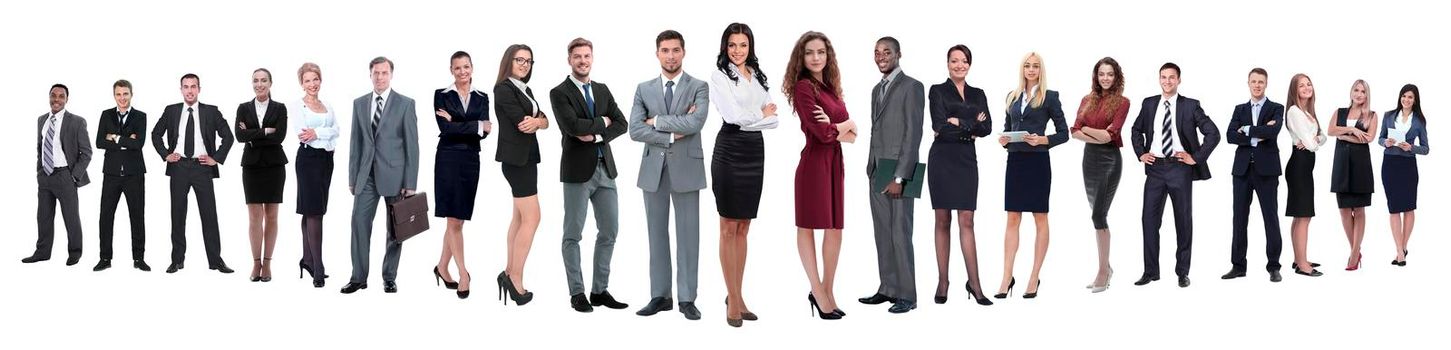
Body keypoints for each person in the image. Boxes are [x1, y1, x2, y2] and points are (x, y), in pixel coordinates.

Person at [629, 30, 710, 321]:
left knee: (689, 236)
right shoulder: (643, 88)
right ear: (657, 53)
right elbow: (635, 130)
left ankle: (687, 298)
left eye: (676, 50)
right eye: (665, 50)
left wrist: (657, 121)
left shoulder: (699, 86)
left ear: (683, 52)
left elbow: (696, 122)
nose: (671, 56)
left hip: (688, 169)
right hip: (653, 170)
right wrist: (672, 134)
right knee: (656, 235)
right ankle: (660, 296)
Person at [552, 37, 630, 313]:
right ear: (569, 60)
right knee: (573, 234)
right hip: (577, 173)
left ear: (592, 58)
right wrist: (602, 122)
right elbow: (572, 126)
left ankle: (599, 290)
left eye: (586, 56)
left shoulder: (602, 89)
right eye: (577, 57)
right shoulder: (559, 92)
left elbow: (622, 123)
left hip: (605, 169)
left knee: (610, 230)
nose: (582, 61)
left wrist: (595, 133)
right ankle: (577, 293)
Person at [786, 31, 857, 320]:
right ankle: (816, 288)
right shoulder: (804, 88)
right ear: (801, 58)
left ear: (828, 57)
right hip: (814, 163)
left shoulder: (830, 88)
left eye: (821, 52)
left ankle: (827, 290)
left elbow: (852, 137)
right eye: (810, 53)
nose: (816, 57)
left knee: (835, 227)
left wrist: (841, 126)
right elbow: (824, 133)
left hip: (835, 164)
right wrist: (845, 124)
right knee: (808, 226)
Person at [1129, 63, 1219, 288]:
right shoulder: (1149, 104)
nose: (1167, 81)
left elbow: (1213, 133)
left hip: (1180, 168)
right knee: (1149, 221)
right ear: (1159, 79)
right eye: (1163, 77)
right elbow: (1135, 130)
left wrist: (1195, 158)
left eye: (1171, 78)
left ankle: (1182, 272)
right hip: (1156, 169)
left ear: (1179, 80)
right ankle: (1150, 272)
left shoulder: (1190, 106)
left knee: (1183, 221)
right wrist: (1141, 153)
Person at [709, 23, 775, 325]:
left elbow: (774, 120)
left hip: (754, 152)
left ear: (751, 47)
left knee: (744, 227)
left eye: (743, 45)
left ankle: (737, 292)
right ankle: (733, 299)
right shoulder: (719, 77)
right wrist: (760, 115)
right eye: (732, 45)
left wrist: (760, 117)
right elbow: (732, 117)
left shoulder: (758, 76)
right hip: (730, 151)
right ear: (725, 47)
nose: (737, 51)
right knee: (728, 227)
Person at [342, 57, 420, 294]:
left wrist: (410, 182)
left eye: (384, 73)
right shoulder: (359, 104)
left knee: (396, 229)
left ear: (391, 74)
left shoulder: (405, 104)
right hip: (366, 176)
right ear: (370, 74)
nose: (380, 77)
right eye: (376, 73)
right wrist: (353, 177)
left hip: (395, 177)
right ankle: (358, 277)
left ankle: (389, 276)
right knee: (358, 224)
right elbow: (355, 142)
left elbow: (412, 146)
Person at [860, 36, 924, 314]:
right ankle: (888, 288)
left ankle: (907, 295)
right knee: (882, 233)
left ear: (899, 54)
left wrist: (900, 177)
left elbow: (914, 134)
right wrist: (871, 165)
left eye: (886, 51)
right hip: (877, 168)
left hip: (900, 170)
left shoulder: (912, 87)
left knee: (901, 233)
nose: (881, 56)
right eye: (877, 52)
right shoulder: (876, 89)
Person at [994, 52, 1067, 299]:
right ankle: (1006, 276)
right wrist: (1004, 140)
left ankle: (1034, 276)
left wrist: (1042, 140)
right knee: (1012, 218)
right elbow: (1007, 128)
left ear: (1041, 69)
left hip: (1037, 162)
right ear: (1022, 69)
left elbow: (1064, 133)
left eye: (1036, 66)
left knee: (1040, 217)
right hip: (1014, 160)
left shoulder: (1050, 97)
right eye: (1027, 65)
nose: (1031, 69)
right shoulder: (1012, 97)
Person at [925, 44, 992, 305]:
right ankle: (943, 281)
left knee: (967, 221)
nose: (959, 65)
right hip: (942, 158)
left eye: (963, 61)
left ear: (970, 64)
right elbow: (938, 126)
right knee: (942, 220)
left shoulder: (978, 93)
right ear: (947, 64)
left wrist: (959, 122)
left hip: (966, 160)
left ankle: (975, 284)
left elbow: (987, 128)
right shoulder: (937, 91)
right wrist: (970, 125)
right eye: (954, 61)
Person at [151, 74, 235, 274]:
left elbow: (228, 136)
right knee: (177, 215)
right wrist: (166, 155)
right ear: (181, 89)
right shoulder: (171, 111)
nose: (189, 90)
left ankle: (216, 260)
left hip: (202, 166)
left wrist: (216, 158)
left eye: (193, 86)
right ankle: (176, 260)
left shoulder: (211, 111)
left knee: (209, 215)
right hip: (179, 166)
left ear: (199, 89)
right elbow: (155, 134)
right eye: (186, 87)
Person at [432, 51, 491, 299]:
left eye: (466, 67)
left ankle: (441, 266)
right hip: (447, 159)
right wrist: (475, 126)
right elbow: (444, 129)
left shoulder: (482, 97)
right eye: (458, 68)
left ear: (472, 68)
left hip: (470, 160)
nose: (462, 72)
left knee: (458, 219)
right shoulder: (441, 95)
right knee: (454, 220)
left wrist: (458, 123)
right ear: (451, 70)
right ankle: (463, 273)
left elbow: (487, 131)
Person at [494, 44, 549, 305]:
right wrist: (538, 121)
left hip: (527, 159)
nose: (525, 64)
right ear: (509, 61)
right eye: (519, 60)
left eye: (529, 61)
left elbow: (542, 119)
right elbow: (524, 122)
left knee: (519, 217)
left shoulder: (524, 89)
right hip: (516, 161)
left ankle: (508, 271)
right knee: (533, 217)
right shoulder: (503, 88)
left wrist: (539, 120)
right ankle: (515, 278)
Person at [1070, 57, 1129, 292]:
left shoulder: (1122, 102)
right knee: (1097, 215)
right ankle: (1106, 267)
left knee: (1098, 214)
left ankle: (1103, 271)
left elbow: (1109, 137)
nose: (1105, 78)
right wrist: (1090, 132)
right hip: (1089, 161)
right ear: (1096, 76)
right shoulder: (1087, 100)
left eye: (1110, 74)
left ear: (1116, 77)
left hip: (1109, 161)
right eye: (1101, 74)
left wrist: (1085, 130)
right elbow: (1073, 132)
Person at [1222, 68, 1285, 282]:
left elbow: (1273, 132)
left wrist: (1247, 129)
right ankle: (1238, 265)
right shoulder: (1239, 109)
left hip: (1267, 171)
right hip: (1241, 171)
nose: (1257, 85)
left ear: (1266, 84)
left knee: (1271, 218)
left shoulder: (1276, 108)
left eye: (1261, 82)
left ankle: (1274, 266)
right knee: (1239, 219)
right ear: (1248, 83)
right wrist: (1258, 133)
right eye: (1253, 82)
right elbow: (1230, 136)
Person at [26, 84, 92, 266]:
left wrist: (74, 176)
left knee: (71, 217)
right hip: (45, 176)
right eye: (53, 95)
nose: (56, 99)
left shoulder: (77, 122)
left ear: (66, 99)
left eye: (61, 96)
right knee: (43, 216)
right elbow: (40, 147)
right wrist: (39, 170)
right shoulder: (41, 120)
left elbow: (86, 153)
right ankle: (42, 252)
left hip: (65, 175)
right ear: (49, 97)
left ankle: (75, 252)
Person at [235, 68, 289, 282]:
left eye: (264, 80)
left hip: (275, 166)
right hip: (251, 166)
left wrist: (252, 135)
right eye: (256, 81)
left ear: (270, 83)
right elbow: (239, 136)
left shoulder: (280, 107)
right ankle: (255, 263)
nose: (260, 84)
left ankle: (267, 263)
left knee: (272, 215)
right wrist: (267, 131)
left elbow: (280, 137)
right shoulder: (243, 108)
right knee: (254, 217)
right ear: (252, 83)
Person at [290, 62, 339, 287]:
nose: (312, 84)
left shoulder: (327, 105)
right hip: (308, 160)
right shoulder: (297, 106)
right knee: (315, 212)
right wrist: (322, 134)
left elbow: (337, 131)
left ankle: (307, 259)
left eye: (315, 79)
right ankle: (318, 267)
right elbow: (303, 136)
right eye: (307, 80)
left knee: (312, 210)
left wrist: (318, 132)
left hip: (327, 160)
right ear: (302, 83)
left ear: (321, 80)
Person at [94, 80, 150, 271]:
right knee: (105, 216)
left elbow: (139, 143)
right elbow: (99, 142)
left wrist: (114, 137)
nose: (122, 98)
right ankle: (105, 258)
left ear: (131, 94)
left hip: (134, 174)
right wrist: (126, 140)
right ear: (114, 95)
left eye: (125, 94)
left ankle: (139, 258)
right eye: (118, 94)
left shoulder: (140, 116)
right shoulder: (106, 115)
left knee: (137, 216)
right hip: (111, 174)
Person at [1329, 80, 1377, 272]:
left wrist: (1344, 135)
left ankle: (1354, 253)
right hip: (1341, 164)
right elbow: (1331, 131)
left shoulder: (1372, 115)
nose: (1359, 94)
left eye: (1363, 91)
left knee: (1359, 210)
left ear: (1367, 96)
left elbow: (1369, 138)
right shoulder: (1339, 112)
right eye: (1356, 90)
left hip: (1360, 166)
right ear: (1351, 92)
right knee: (1343, 210)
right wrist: (1352, 130)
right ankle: (1355, 250)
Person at [1282, 73, 1328, 277]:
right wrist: (1312, 140)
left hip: (1305, 166)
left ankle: (1299, 258)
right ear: (1295, 90)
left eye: (1309, 84)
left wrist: (1314, 139)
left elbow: (1323, 137)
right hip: (1299, 166)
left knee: (1301, 215)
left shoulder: (1308, 111)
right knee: (1304, 215)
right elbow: (1310, 144)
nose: (1307, 87)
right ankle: (1302, 264)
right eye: (1302, 85)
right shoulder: (1294, 111)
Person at [1378, 84, 1428, 267]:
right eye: (1404, 96)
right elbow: (1380, 138)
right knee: (1393, 208)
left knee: (1408, 208)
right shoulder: (1388, 116)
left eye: (1410, 97)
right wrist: (1386, 142)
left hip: (1408, 166)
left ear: (1415, 101)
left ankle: (1403, 247)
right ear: (1400, 97)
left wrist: (1411, 147)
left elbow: (1426, 148)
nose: (1406, 100)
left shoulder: (1420, 121)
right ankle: (1399, 250)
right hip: (1390, 165)